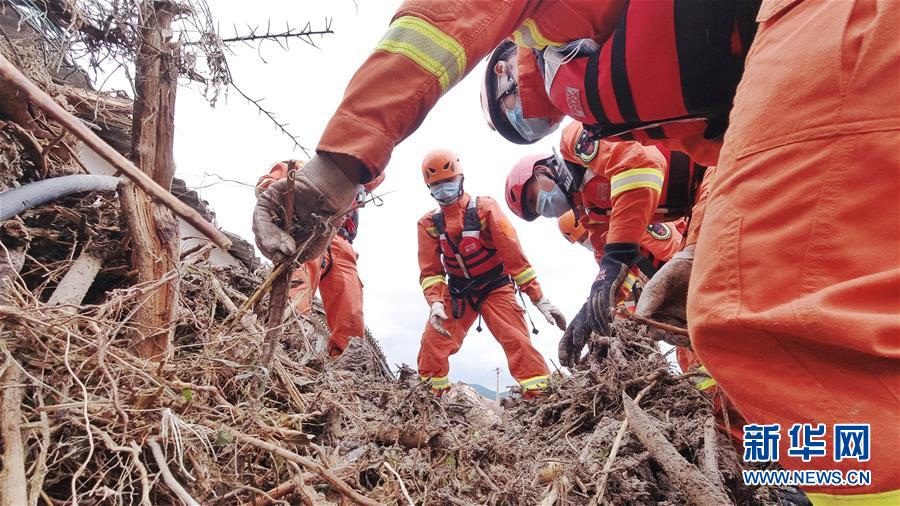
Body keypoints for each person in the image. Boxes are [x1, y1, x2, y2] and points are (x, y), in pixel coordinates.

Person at [252, 3, 899, 500]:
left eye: (522, 113)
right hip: (801, 69)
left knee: (771, 333)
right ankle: (765, 471)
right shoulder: (614, 119)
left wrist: (339, 164)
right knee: (737, 361)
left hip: (829, 37)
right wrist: (699, 249)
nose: (532, 116)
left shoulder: (581, 132)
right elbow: (727, 153)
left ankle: (828, 479)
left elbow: (439, 26)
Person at [415, 149, 565, 397]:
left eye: (448, 182)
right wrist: (435, 303)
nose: (444, 188)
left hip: (495, 287)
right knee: (434, 342)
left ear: (460, 179)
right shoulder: (429, 224)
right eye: (437, 185)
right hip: (457, 292)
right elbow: (430, 271)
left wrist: (539, 299)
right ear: (429, 187)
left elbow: (514, 257)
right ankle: (427, 401)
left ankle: (542, 400)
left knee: (517, 340)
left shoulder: (485, 209)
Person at [255, 160, 383, 357]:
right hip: (309, 234)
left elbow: (376, 171)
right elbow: (267, 184)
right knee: (296, 292)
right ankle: (289, 349)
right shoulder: (302, 166)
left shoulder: (358, 185)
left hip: (342, 244)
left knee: (351, 314)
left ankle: (347, 365)